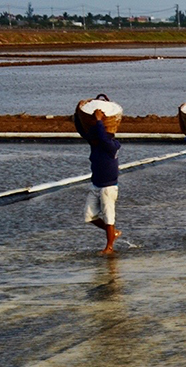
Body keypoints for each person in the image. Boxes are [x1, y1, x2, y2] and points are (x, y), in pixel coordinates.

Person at [73, 106, 121, 255]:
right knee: (89, 216)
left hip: (108, 187)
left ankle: (109, 247)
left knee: (108, 216)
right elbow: (84, 133)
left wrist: (99, 120)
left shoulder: (110, 146)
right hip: (96, 185)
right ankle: (113, 233)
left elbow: (100, 136)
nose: (90, 140)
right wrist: (77, 116)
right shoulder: (96, 144)